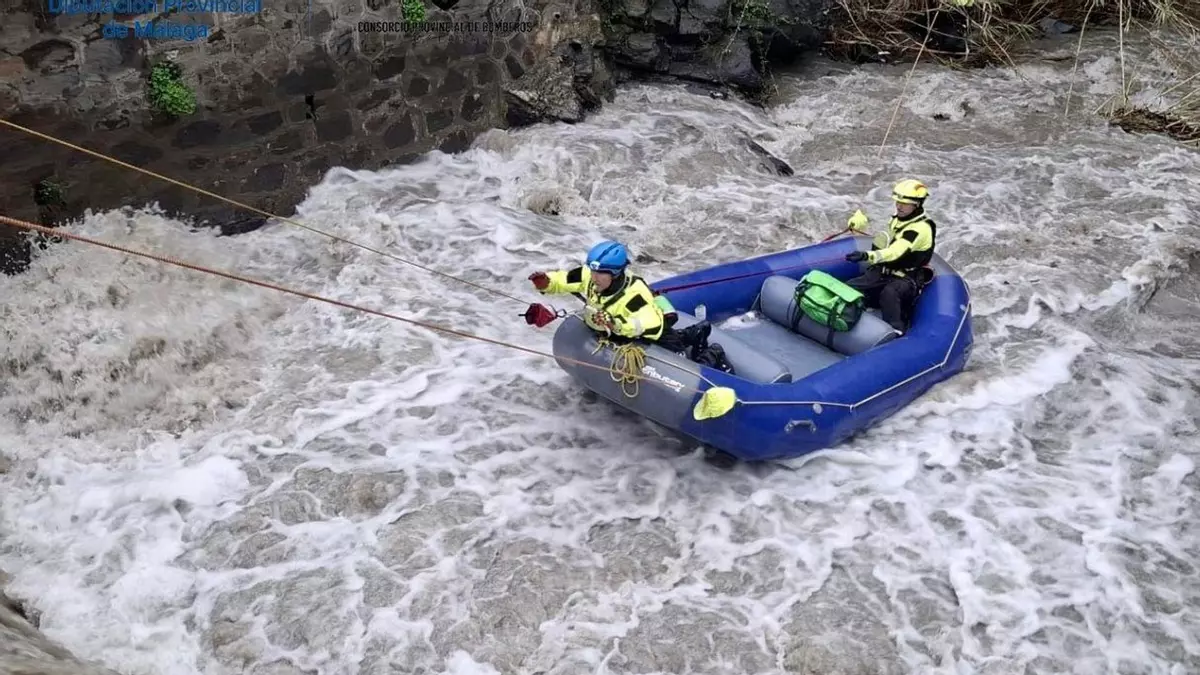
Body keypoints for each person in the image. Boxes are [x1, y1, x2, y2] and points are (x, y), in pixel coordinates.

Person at [528, 240, 734, 373]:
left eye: (600, 273)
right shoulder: (589, 276)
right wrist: (547, 282)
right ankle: (695, 332)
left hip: (654, 335)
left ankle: (714, 352)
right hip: (620, 331)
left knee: (686, 366)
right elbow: (565, 279)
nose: (594, 277)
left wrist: (615, 325)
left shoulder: (635, 295)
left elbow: (646, 324)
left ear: (615, 274)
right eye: (592, 271)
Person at [843, 179, 937, 332]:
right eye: (898, 202)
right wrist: (862, 221)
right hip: (885, 271)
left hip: (906, 279)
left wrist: (867, 256)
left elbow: (895, 252)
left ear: (917, 204)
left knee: (890, 293)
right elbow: (885, 236)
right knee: (850, 287)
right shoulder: (900, 218)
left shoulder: (919, 229)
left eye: (904, 203)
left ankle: (896, 331)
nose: (899, 206)